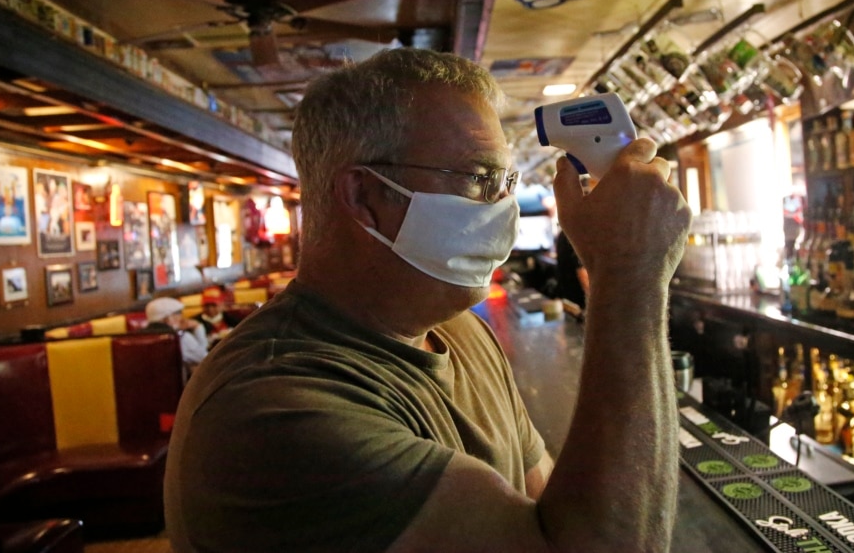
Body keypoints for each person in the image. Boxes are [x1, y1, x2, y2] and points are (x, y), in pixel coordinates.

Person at [164, 48, 692, 553]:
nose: (504, 207)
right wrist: (631, 272)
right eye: (481, 178)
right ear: (365, 196)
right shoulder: (273, 413)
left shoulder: (461, 330)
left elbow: (549, 510)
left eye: (505, 182)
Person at [144, 296, 210, 374]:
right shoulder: (181, 338)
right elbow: (206, 360)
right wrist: (198, 329)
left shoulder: (135, 338)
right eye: (178, 313)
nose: (182, 318)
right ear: (168, 318)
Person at [553, 228, 589, 310]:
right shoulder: (578, 236)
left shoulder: (564, 233)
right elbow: (583, 276)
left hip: (566, 301)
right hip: (579, 303)